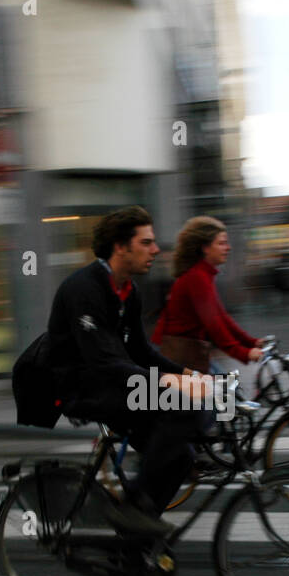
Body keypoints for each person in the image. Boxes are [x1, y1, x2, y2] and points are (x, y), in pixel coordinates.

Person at [43, 206, 211, 535]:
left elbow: (141, 352)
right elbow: (102, 361)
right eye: (146, 242)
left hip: (114, 381)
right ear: (121, 247)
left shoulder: (129, 292)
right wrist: (169, 381)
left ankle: (137, 534)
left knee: (183, 453)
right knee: (183, 405)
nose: (156, 249)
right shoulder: (83, 289)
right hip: (82, 388)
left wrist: (191, 375)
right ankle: (132, 507)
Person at [152, 216, 264, 375]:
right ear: (205, 248)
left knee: (225, 391)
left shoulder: (203, 275)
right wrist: (242, 352)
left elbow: (221, 317)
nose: (228, 248)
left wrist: (251, 342)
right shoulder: (196, 277)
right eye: (221, 243)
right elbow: (213, 323)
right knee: (223, 393)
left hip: (189, 351)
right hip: (176, 353)